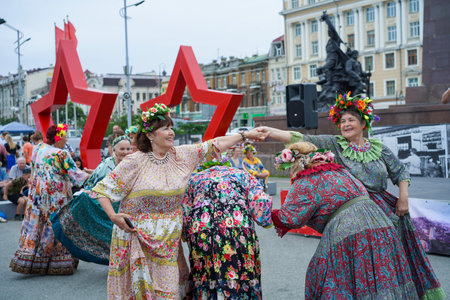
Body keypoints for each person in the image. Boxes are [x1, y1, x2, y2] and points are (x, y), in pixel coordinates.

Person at [256, 92, 445, 299]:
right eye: (343, 121)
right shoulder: (335, 145)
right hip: (352, 212)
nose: (346, 124)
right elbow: (301, 138)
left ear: (363, 124)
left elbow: (400, 172)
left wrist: (403, 197)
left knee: (392, 266)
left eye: (351, 120)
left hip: (387, 213)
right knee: (356, 270)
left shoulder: (379, 149)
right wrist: (269, 131)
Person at [91, 103, 265, 299]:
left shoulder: (181, 155)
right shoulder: (135, 161)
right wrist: (113, 216)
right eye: (165, 128)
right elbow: (102, 190)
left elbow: (215, 145)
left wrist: (246, 135)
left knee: (169, 294)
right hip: (136, 239)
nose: (171, 132)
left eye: (171, 127)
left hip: (167, 242)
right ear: (150, 135)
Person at [271, 141, 418, 299]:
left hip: (350, 232)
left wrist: (263, 207)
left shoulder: (306, 180)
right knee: (383, 279)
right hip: (380, 225)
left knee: (326, 276)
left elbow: (289, 218)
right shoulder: (340, 170)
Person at [181, 158, 273, 299]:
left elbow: (184, 211)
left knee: (205, 274)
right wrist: (267, 220)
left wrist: (185, 234)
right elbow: (261, 202)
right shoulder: (243, 175)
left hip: (203, 233)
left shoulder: (194, 178)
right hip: (238, 230)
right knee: (242, 273)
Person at [10, 123, 90, 275]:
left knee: (38, 225)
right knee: (56, 224)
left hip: (38, 195)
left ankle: (33, 260)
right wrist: (92, 175)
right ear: (58, 137)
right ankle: (57, 261)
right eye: (65, 136)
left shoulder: (38, 149)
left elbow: (33, 170)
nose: (66, 139)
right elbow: (76, 175)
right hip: (56, 196)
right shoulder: (62, 154)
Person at [52, 135, 132, 265]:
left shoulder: (133, 162)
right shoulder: (106, 165)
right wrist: (88, 191)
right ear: (114, 150)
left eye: (129, 148)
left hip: (126, 204)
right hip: (108, 205)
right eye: (122, 149)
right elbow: (93, 184)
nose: (126, 152)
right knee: (113, 233)